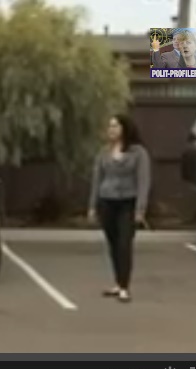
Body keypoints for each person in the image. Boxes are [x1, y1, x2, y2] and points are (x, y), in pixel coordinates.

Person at [87, 114, 151, 303]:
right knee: (113, 244)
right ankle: (117, 282)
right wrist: (92, 206)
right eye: (110, 126)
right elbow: (97, 180)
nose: (111, 130)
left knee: (124, 244)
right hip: (107, 202)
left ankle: (125, 287)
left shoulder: (138, 152)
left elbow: (143, 181)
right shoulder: (103, 152)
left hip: (127, 202)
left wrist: (141, 209)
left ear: (125, 128)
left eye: (115, 126)